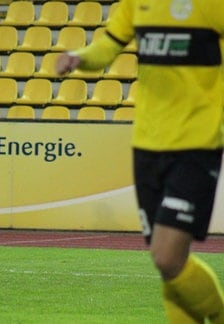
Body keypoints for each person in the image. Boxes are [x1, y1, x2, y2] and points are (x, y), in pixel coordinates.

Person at [56, 1, 224, 322]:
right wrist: (79, 58)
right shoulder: (137, 3)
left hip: (196, 142)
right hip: (147, 144)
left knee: (166, 256)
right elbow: (108, 47)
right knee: (171, 266)